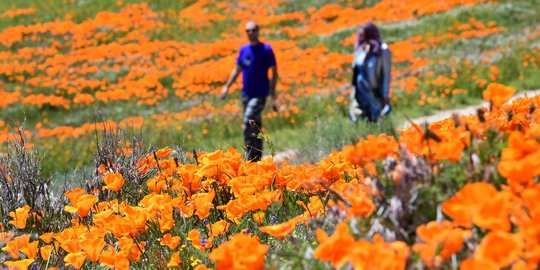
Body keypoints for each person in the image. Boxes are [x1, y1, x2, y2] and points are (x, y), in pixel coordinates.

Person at [220, 21, 278, 162]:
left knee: (248, 120)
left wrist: (272, 91)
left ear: (258, 31)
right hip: (246, 94)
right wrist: (227, 87)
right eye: (248, 31)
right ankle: (257, 157)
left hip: (260, 94)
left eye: (253, 30)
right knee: (255, 125)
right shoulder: (244, 50)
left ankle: (249, 155)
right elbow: (237, 70)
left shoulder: (266, 49)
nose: (250, 33)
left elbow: (274, 72)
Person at [349, 22, 392, 122]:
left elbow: (386, 74)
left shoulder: (383, 51)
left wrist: (385, 94)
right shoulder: (360, 50)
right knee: (359, 117)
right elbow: (355, 71)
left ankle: (378, 135)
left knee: (375, 117)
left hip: (375, 91)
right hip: (360, 92)